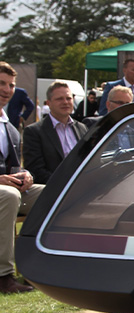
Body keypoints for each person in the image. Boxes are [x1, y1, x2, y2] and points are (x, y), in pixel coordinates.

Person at [0, 62, 44, 293]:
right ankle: (3, 276)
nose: (7, 90)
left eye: (11, 85)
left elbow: (15, 166)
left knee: (50, 194)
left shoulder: (11, 126)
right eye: (1, 83)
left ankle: (36, 268)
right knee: (7, 195)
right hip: (4, 192)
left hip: (9, 190)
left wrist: (26, 175)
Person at [23, 80, 88, 184]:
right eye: (59, 99)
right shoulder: (34, 132)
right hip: (55, 190)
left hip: (84, 187)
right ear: (48, 103)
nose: (65, 102)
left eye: (68, 98)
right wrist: (66, 186)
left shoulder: (82, 128)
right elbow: (36, 171)